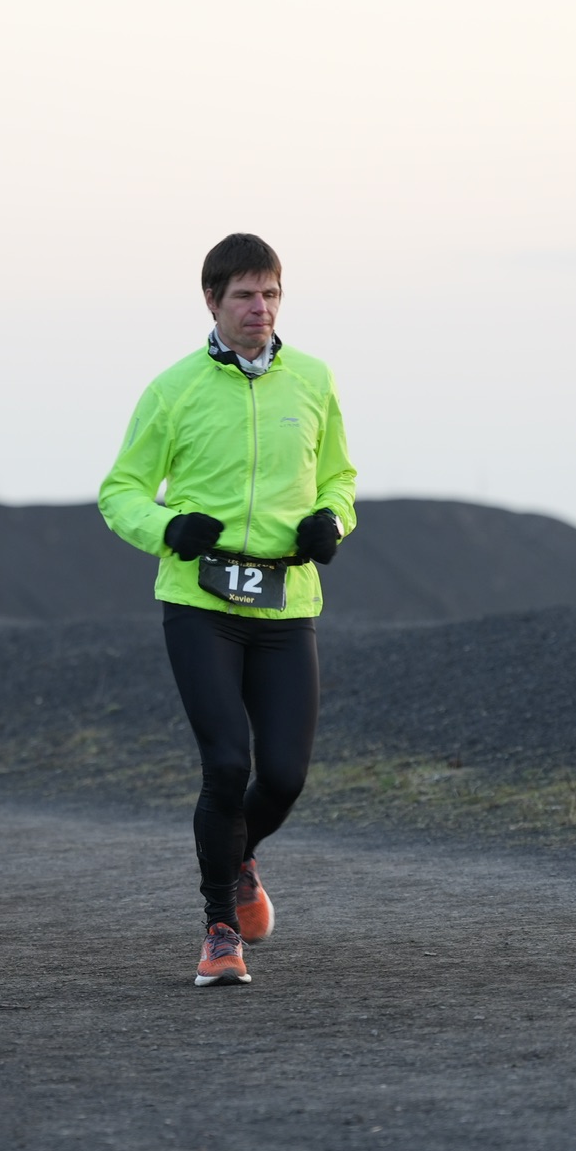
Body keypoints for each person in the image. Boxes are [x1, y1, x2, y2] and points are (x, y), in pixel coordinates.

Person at [98, 234, 358, 988]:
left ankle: (239, 856)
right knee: (225, 764)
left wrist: (332, 522)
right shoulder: (172, 389)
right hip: (199, 601)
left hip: (285, 604)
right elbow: (120, 491)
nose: (259, 308)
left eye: (270, 293)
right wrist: (167, 528)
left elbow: (340, 479)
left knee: (283, 776)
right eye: (244, 295)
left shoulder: (314, 379)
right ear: (212, 301)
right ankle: (219, 929)